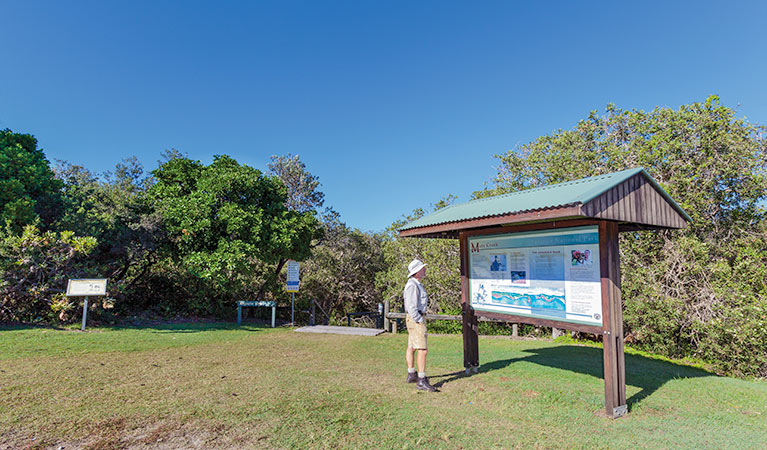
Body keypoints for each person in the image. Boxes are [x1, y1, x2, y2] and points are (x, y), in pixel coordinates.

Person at [403, 259, 437, 392]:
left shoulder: (415, 283)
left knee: (411, 346)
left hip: (413, 318)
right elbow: (411, 306)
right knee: (422, 349)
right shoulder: (412, 285)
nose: (425, 270)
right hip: (416, 318)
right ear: (417, 271)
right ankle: (421, 380)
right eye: (422, 268)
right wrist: (419, 320)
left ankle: (412, 374)